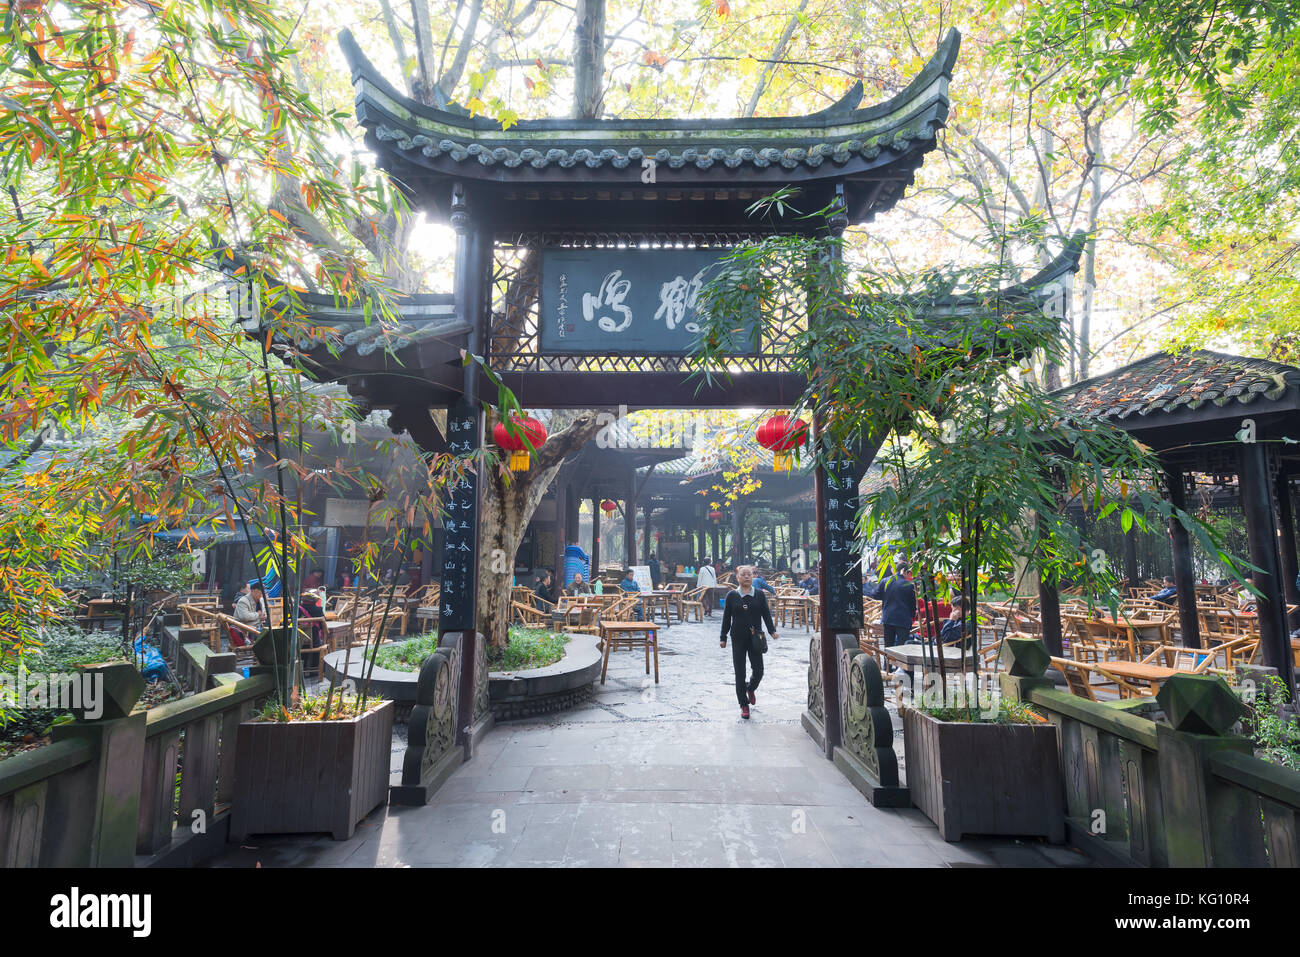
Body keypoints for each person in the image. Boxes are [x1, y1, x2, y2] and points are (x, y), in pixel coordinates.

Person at [720, 565, 779, 719]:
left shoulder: (759, 595)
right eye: (743, 574)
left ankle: (750, 687)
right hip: (738, 637)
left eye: (749, 574)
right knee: (740, 672)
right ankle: (743, 704)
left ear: (753, 577)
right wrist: (723, 637)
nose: (746, 576)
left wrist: (772, 630)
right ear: (737, 577)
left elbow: (766, 614)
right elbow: (727, 618)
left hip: (755, 638)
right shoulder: (732, 596)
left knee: (759, 670)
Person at [868, 563, 916, 659]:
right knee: (903, 648)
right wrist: (912, 615)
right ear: (906, 572)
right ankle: (902, 669)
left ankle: (888, 668)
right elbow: (912, 605)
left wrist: (885, 596)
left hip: (888, 618)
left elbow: (874, 595)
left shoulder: (885, 581)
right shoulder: (909, 585)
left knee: (888, 646)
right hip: (903, 619)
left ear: (894, 570)